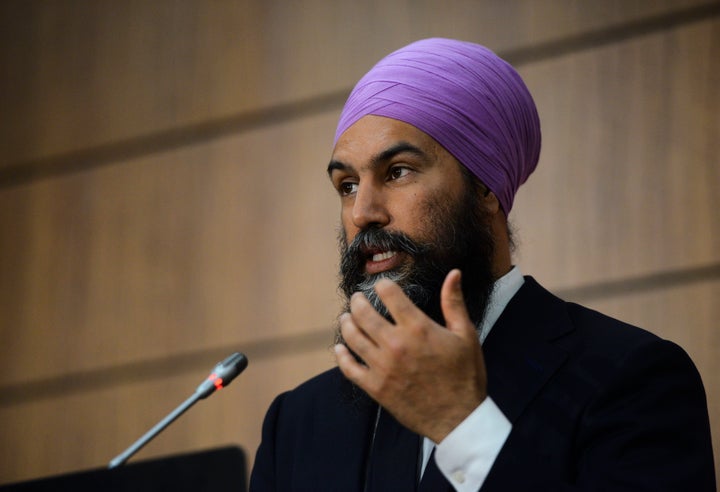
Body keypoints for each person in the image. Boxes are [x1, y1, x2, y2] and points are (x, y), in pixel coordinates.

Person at [248, 38, 716, 491]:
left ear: (486, 187)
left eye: (397, 172)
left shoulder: (630, 378)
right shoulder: (299, 422)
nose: (362, 212)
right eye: (347, 185)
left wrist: (463, 426)